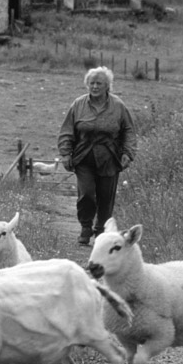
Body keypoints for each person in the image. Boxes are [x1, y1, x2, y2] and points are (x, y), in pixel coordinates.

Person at [57, 66, 136, 247]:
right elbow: (67, 131)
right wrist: (65, 153)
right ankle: (86, 227)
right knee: (86, 194)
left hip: (110, 158)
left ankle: (100, 231)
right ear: (87, 85)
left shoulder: (118, 106)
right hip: (84, 157)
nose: (95, 86)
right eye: (91, 83)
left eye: (99, 83)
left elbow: (129, 132)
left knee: (106, 197)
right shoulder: (78, 105)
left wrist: (128, 153)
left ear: (107, 85)